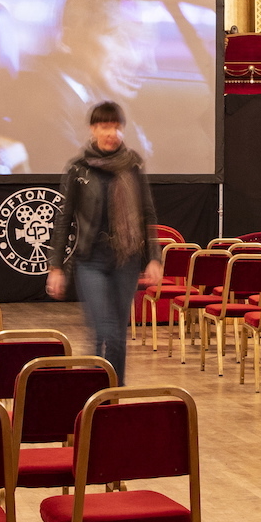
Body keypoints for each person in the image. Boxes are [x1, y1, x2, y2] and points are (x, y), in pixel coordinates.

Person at [46, 101, 164, 381]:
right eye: (103, 126)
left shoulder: (133, 164)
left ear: (121, 129)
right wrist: (56, 266)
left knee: (117, 333)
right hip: (91, 260)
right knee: (105, 328)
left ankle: (113, 394)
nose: (110, 133)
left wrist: (154, 257)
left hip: (126, 259)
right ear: (92, 129)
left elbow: (147, 213)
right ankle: (98, 387)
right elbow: (65, 219)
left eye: (115, 126)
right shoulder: (78, 168)